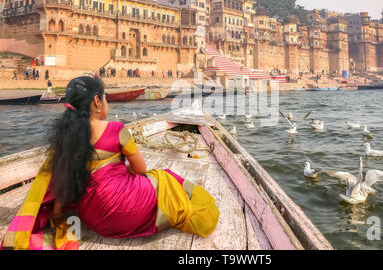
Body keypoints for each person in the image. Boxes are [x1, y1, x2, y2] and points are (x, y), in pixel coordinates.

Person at [0, 76, 219, 250]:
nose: (107, 102)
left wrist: (56, 213)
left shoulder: (65, 138)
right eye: (105, 98)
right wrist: (125, 170)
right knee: (164, 178)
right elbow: (141, 169)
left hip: (94, 219)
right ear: (96, 101)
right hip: (128, 213)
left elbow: (61, 184)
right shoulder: (115, 129)